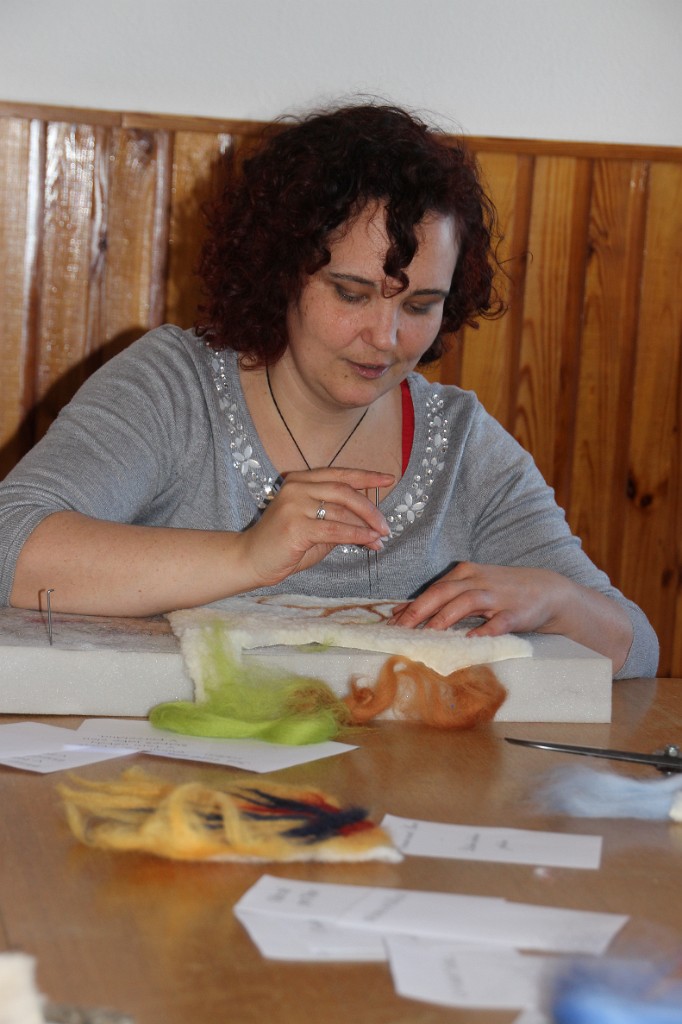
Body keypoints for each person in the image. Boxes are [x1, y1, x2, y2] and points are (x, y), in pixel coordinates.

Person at [0, 103, 658, 678]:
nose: (386, 338)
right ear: (282, 272)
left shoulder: (463, 442)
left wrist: (559, 602)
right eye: (351, 293)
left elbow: (637, 649)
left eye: (420, 305)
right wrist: (246, 556)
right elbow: (10, 543)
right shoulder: (175, 385)